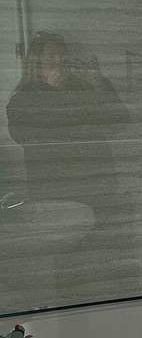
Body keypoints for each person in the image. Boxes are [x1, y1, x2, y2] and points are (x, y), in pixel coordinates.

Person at [6, 31, 130, 232]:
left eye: (63, 55)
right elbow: (27, 138)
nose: (60, 61)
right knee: (63, 238)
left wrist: (99, 82)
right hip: (54, 185)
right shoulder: (22, 99)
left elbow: (119, 120)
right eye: (52, 56)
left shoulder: (84, 89)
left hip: (95, 180)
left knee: (102, 236)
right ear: (37, 62)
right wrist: (53, 94)